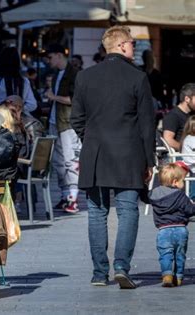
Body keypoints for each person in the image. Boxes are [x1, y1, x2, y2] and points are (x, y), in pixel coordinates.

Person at [70, 25, 155, 288]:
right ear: (120, 46)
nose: (134, 47)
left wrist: (91, 138)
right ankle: (121, 266)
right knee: (128, 211)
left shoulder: (85, 77)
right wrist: (149, 160)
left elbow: (76, 119)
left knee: (96, 212)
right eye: (132, 43)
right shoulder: (138, 77)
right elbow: (147, 124)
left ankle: (99, 273)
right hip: (129, 152)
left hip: (95, 153)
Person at [44, 44, 81, 213]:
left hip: (67, 123)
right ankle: (65, 195)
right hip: (55, 122)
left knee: (70, 159)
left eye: (50, 57)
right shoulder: (56, 74)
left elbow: (74, 100)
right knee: (58, 161)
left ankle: (73, 198)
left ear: (59, 55)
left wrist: (54, 97)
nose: (48, 61)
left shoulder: (73, 74)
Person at [148, 162, 195, 287]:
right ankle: (179, 277)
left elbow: (146, 197)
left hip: (163, 230)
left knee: (165, 254)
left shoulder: (154, 194)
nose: (183, 184)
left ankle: (167, 275)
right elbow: (190, 210)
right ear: (175, 182)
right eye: (182, 181)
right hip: (180, 229)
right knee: (180, 254)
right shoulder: (180, 195)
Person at [0, 47, 37, 115]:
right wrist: (19, 109)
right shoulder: (24, 81)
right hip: (22, 121)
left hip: (1, 121)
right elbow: (33, 105)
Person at [162, 83, 195, 151]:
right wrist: (187, 149)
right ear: (187, 99)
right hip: (183, 157)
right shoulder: (173, 116)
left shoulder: (191, 114)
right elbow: (168, 140)